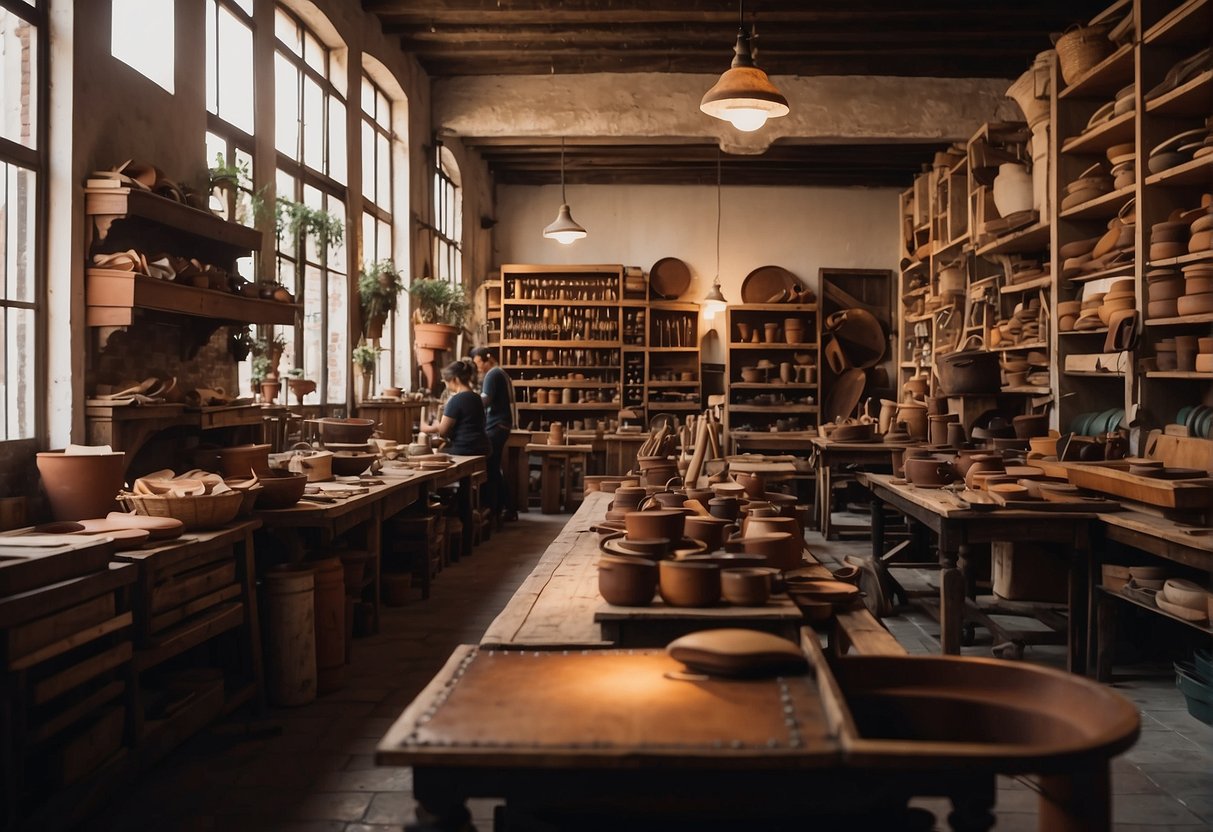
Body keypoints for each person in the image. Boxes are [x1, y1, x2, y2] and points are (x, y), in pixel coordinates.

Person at [470, 346, 517, 521]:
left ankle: (497, 509)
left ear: (487, 359)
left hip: (497, 426)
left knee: (491, 467)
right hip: (500, 425)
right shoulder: (500, 372)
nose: (478, 368)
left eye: (478, 363)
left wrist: (468, 401)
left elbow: (486, 400)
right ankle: (505, 509)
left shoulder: (492, 374)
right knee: (494, 467)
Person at [420, 360, 490, 457]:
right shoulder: (477, 397)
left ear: (455, 379)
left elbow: (442, 432)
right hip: (482, 447)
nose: (447, 386)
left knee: (435, 454)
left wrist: (436, 425)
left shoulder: (456, 400)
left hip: (465, 449)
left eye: (446, 382)